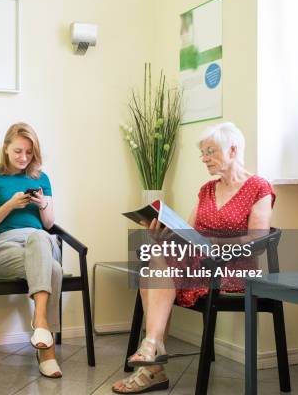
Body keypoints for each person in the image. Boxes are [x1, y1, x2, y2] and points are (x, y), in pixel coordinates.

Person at [112, 122, 276, 394]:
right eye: (202, 152)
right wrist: (164, 234)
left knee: (157, 267)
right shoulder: (207, 190)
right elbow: (187, 233)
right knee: (157, 256)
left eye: (210, 151)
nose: (204, 158)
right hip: (200, 264)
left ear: (233, 149)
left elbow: (255, 243)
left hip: (233, 269)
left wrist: (213, 243)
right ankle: (153, 346)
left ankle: (151, 360)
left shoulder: (259, 187)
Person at [0, 122, 63, 378]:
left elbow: (48, 225)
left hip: (40, 242)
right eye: (17, 152)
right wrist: (10, 206)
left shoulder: (42, 179)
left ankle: (41, 326)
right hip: (5, 248)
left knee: (39, 237)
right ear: (5, 149)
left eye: (29, 152)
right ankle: (46, 347)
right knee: (53, 270)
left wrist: (44, 203)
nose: (24, 158)